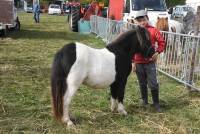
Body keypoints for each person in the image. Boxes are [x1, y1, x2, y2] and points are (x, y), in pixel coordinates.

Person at [132, 10, 165, 112]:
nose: (142, 22)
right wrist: (133, 62)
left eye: (144, 20)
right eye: (140, 21)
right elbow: (131, 48)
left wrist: (157, 52)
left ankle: (156, 103)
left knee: (153, 83)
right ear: (136, 22)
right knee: (142, 83)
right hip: (138, 63)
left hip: (150, 62)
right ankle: (144, 101)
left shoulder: (153, 30)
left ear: (147, 19)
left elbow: (161, 42)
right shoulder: (134, 33)